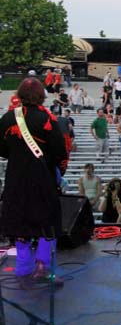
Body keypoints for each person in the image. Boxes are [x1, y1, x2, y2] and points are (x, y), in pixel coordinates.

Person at [0, 77, 68, 286]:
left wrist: (17, 155)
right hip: (42, 179)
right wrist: (59, 171)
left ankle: (22, 268)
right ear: (40, 95)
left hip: (16, 179)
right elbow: (60, 152)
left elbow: (2, 150)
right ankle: (42, 267)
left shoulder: (8, 118)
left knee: (20, 223)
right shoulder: (47, 119)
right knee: (47, 222)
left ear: (20, 94)